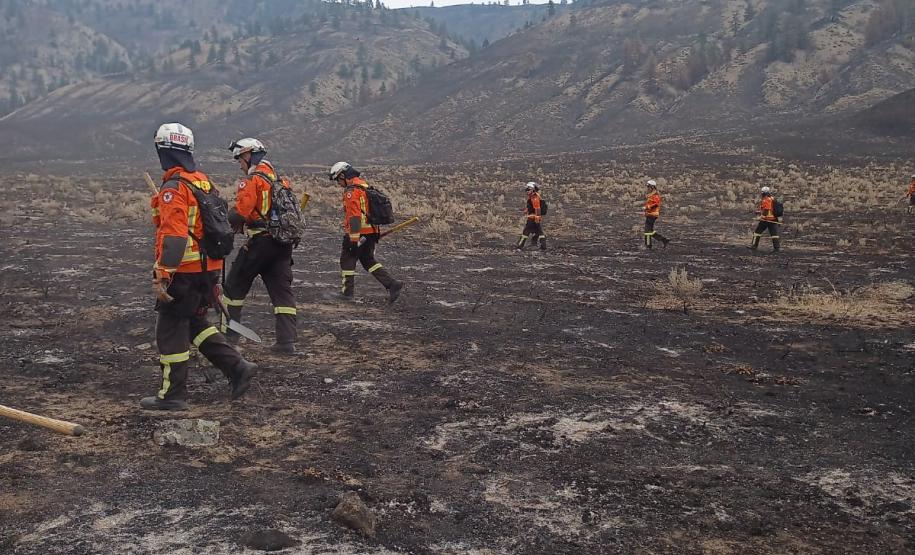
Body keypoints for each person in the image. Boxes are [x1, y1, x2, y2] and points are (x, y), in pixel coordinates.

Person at [144, 123, 256, 411]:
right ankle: (237, 367)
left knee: (170, 329)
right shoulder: (203, 182)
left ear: (164, 151)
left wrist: (163, 274)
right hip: (208, 269)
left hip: (184, 272)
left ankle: (172, 395)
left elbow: (174, 238)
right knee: (195, 323)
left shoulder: (174, 189)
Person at [223, 138, 298, 354]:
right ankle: (286, 342)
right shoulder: (280, 181)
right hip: (282, 244)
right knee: (282, 293)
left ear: (248, 156)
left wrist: (222, 219)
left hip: (260, 244)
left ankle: (229, 337)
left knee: (233, 287)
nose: (240, 165)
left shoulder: (253, 180)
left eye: (240, 159)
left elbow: (241, 212)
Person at [329, 161, 404, 302]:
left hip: (359, 232)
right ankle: (392, 284)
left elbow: (354, 217)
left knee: (347, 259)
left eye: (338, 180)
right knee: (368, 260)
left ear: (343, 176)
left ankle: (347, 293)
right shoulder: (364, 186)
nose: (338, 183)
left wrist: (353, 239)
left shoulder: (351, 191)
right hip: (372, 231)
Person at [748, 186, 780, 252]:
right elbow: (770, 210)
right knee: (774, 234)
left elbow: (766, 210)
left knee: (757, 232)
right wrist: (759, 212)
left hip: (766, 220)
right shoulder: (772, 199)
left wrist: (761, 217)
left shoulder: (766, 199)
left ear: (763, 193)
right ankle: (777, 248)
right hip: (773, 219)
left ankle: (754, 246)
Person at [516, 181, 546, 250]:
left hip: (532, 218)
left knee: (526, 231)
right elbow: (532, 207)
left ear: (533, 189)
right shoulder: (533, 197)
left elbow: (537, 208)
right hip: (534, 218)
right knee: (538, 231)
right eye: (526, 190)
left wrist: (537, 217)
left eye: (528, 189)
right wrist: (526, 210)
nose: (527, 191)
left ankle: (520, 245)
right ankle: (541, 245)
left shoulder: (535, 198)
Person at [643, 179, 670, 249]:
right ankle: (664, 240)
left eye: (648, 187)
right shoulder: (652, 195)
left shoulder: (655, 195)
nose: (647, 188)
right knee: (649, 230)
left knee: (647, 231)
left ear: (652, 187)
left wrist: (647, 207)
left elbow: (656, 204)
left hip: (652, 215)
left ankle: (648, 246)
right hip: (650, 214)